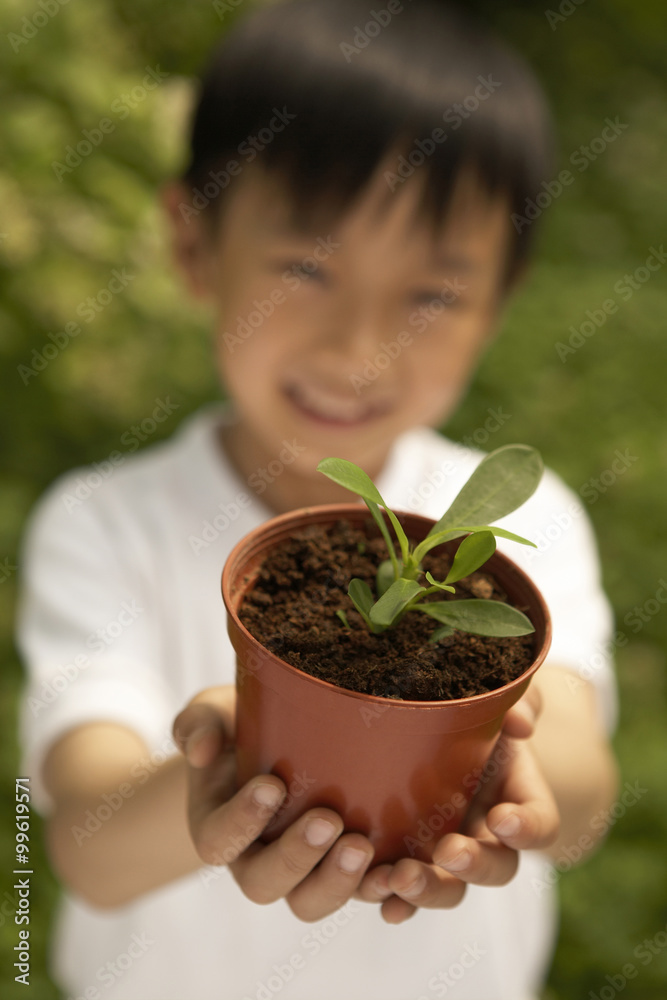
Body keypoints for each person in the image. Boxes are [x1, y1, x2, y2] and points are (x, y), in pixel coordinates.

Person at [17, 2, 619, 998]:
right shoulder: (101, 524)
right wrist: (229, 769)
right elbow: (83, 842)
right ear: (193, 242)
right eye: (305, 267)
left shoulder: (534, 514)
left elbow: (584, 794)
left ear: (500, 300)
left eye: (429, 295)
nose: (357, 349)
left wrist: (498, 766)